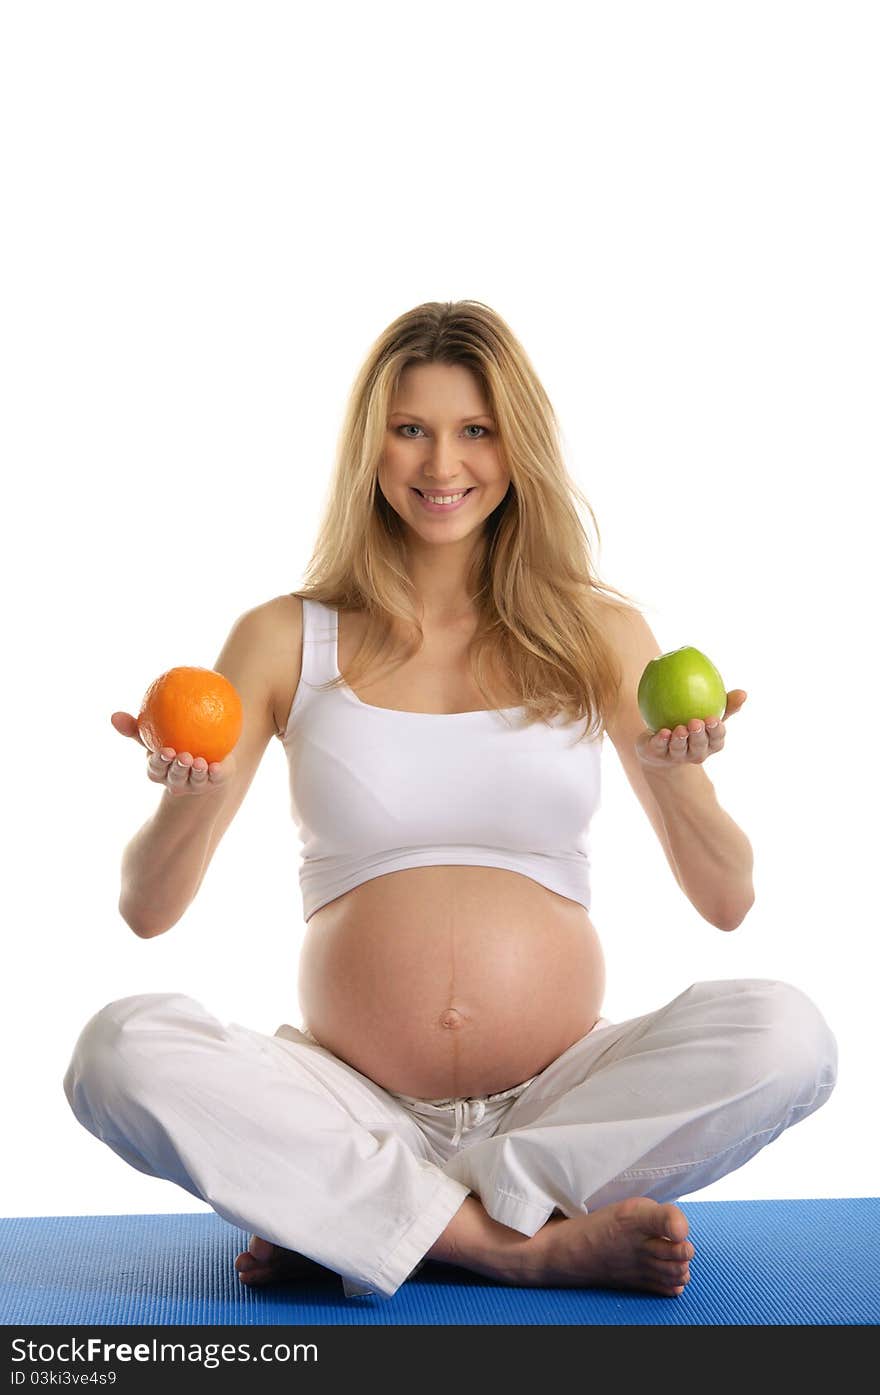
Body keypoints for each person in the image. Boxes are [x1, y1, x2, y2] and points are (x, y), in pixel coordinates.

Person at [64, 300, 838, 1302]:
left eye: (474, 430)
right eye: (410, 429)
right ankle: (512, 1245)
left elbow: (727, 900)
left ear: (517, 446)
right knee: (118, 1050)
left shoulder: (597, 633)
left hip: (559, 1102)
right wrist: (183, 795)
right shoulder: (282, 637)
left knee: (789, 1037)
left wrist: (678, 772)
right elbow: (147, 910)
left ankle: (368, 1218)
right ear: (369, 448)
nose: (442, 466)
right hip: (350, 1101)